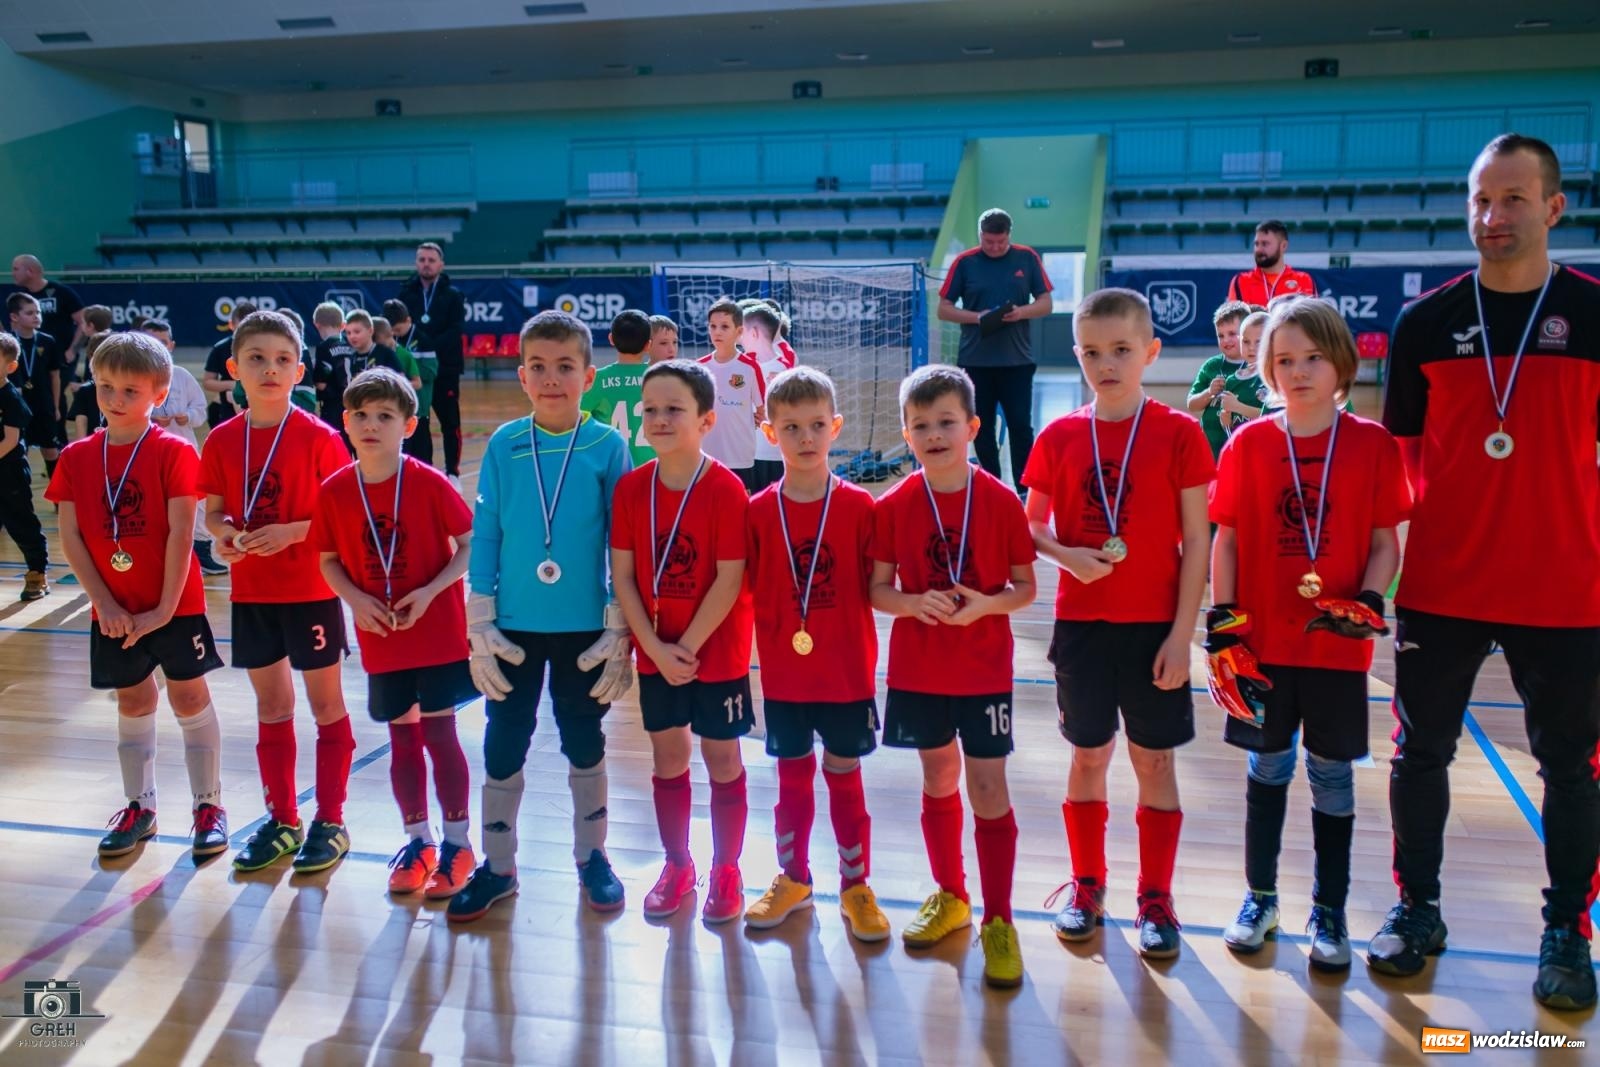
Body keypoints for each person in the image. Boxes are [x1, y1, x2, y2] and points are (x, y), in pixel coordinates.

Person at [1372, 133, 1600, 1011]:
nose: (1491, 217)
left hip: (1565, 587)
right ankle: (1417, 907)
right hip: (1443, 584)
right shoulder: (1425, 323)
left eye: (1511, 199)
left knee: (1572, 769)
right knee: (1418, 753)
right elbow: (1403, 463)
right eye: (1479, 199)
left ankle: (1566, 931)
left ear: (1553, 208)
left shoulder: (1594, 313)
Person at [1207, 298, 1408, 972]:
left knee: (1331, 778)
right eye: (1283, 360)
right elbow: (1225, 542)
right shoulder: (1248, 444)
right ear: (1266, 369)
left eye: (1311, 358)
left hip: (1334, 648)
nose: (1297, 371)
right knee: (1265, 767)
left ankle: (1330, 908)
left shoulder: (1373, 445)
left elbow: (1386, 543)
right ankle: (1260, 897)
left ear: (1341, 362)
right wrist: (1224, 629)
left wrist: (1371, 601)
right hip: (1262, 647)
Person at [1023, 287, 1213, 960]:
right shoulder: (1059, 435)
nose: (1107, 363)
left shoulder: (1180, 433)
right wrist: (1062, 552)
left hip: (1155, 625)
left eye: (1122, 350)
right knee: (1089, 754)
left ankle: (1156, 897)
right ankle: (1086, 885)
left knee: (1154, 759)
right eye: (1093, 352)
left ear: (1150, 353)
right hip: (1083, 627)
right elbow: (1032, 523)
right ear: (1077, 354)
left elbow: (1199, 540)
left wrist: (1182, 635)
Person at [452, 310, 632, 922]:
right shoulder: (504, 444)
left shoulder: (609, 446)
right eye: (538, 367)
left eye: (565, 367)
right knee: (504, 740)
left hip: (584, 627)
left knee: (585, 738)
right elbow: (489, 533)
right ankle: (499, 866)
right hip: (512, 625)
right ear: (522, 375)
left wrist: (620, 624)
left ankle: (592, 857)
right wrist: (479, 617)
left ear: (588, 375)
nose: (551, 378)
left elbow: (621, 543)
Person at [869, 364, 1038, 989]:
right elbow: (878, 589)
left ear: (972, 427)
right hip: (919, 669)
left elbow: (1026, 588)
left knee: (988, 788)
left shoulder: (999, 500)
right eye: (921, 425)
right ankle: (952, 895)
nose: (934, 434)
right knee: (938, 777)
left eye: (946, 423)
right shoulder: (895, 505)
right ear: (906, 434)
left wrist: (988, 604)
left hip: (984, 669)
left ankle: (999, 920)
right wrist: (913, 604)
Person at [45, 332, 228, 862]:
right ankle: (139, 805)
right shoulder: (78, 456)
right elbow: (72, 537)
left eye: (130, 389)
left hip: (174, 603)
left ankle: (208, 806)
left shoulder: (172, 450)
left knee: (189, 697)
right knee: (133, 699)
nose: (115, 399)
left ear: (159, 391)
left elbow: (180, 532)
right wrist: (103, 602)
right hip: (115, 607)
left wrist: (166, 607)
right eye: (106, 387)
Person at [199, 310, 358, 876]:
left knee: (324, 706)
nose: (270, 369)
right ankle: (284, 818)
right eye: (257, 359)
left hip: (310, 591)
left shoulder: (319, 437)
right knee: (272, 706)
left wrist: (290, 532)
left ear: (300, 370)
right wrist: (223, 537)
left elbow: (342, 520)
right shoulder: (221, 440)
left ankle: (332, 819)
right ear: (233, 367)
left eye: (282, 360)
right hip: (252, 594)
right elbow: (214, 510)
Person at [311, 368, 478, 900]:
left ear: (408, 426)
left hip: (437, 632)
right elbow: (329, 561)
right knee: (401, 740)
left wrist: (430, 591)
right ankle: (417, 841)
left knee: (440, 735)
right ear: (345, 422)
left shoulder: (428, 482)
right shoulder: (335, 490)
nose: (370, 425)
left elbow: (472, 545)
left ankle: (457, 844)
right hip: (381, 635)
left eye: (384, 416)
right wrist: (355, 600)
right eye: (360, 415)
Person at [742, 366, 890, 942]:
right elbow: (739, 590)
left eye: (816, 426)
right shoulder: (756, 511)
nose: (806, 437)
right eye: (791, 427)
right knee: (792, 778)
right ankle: (794, 878)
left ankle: (855, 884)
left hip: (846, 674)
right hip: (784, 676)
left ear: (836, 428)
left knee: (845, 776)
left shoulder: (859, 507)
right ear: (770, 432)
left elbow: (877, 587)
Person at [610, 359, 755, 924]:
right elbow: (623, 576)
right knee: (668, 756)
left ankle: (727, 867)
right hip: (656, 651)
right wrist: (651, 646)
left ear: (706, 419)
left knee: (721, 756)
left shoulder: (725, 487)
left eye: (675, 409)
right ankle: (678, 864)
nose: (661, 419)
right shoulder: (630, 490)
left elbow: (729, 577)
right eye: (651, 410)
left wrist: (684, 648)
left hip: (714, 651)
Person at [936, 208, 1054, 496]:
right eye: (989, 242)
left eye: (1000, 242)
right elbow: (944, 309)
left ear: (1009, 236)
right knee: (980, 428)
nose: (995, 247)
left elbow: (1046, 303)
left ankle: (1026, 490)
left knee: (1020, 426)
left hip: (1017, 361)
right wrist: (978, 317)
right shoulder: (965, 263)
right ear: (980, 236)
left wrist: (1021, 312)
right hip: (976, 362)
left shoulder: (1027, 258)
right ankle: (992, 487)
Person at [141, 320, 226, 577]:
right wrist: (150, 419)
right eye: (152, 341)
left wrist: (186, 417)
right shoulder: (134, 375)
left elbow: (201, 411)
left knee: (197, 500)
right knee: (154, 503)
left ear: (172, 345)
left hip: (184, 450)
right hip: (147, 453)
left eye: (163, 341)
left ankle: (201, 553)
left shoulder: (182, 376)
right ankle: (155, 557)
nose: (159, 346)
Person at [397, 243, 466, 485]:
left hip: (445, 369)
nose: (426, 263)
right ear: (417, 263)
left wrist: (428, 344)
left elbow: (456, 329)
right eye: (422, 259)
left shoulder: (453, 295)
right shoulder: (405, 293)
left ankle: (453, 472)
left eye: (431, 260)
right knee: (416, 421)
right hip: (415, 372)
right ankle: (418, 469)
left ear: (441, 264)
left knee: (450, 423)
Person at [696, 297, 766, 493]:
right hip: (707, 455)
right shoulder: (699, 367)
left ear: (739, 331)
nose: (717, 332)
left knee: (739, 511)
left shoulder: (750, 367)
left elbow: (762, 411)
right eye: (713, 326)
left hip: (740, 455)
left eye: (724, 327)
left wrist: (759, 417)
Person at [0, 334, 48, 601]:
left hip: (9, 475)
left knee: (21, 524)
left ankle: (37, 573)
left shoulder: (10, 399)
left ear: (11, 367)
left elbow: (10, 439)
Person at [1186, 301, 1261, 459]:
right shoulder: (1211, 366)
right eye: (1221, 335)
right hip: (1210, 450)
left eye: (1232, 334)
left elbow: (1267, 414)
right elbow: (1192, 405)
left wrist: (1237, 406)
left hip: (1244, 451)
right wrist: (1209, 392)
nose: (1226, 340)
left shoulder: (1258, 370)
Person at [581, 308, 653, 467]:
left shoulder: (596, 380)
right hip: (653, 471)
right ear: (648, 345)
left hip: (612, 468)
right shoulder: (661, 379)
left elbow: (574, 422)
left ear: (611, 339)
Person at [740, 300, 796, 492]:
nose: (739, 340)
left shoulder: (783, 372)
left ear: (754, 334)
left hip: (774, 456)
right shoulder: (744, 367)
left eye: (742, 333)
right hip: (747, 454)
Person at [9, 254, 85, 390]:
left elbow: (83, 322)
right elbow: (12, 327)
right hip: (32, 359)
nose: (12, 273)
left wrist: (73, 350)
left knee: (58, 398)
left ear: (30, 271)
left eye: (16, 269)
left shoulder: (61, 292)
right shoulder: (19, 298)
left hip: (61, 358)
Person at [6, 292, 62, 476]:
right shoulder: (6, 344)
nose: (36, 316)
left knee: (51, 450)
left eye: (37, 312)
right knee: (21, 449)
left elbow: (55, 375)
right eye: (29, 313)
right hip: (17, 405)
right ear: (14, 316)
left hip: (43, 404)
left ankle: (58, 501)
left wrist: (55, 406)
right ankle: (22, 496)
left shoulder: (48, 341)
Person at [384, 299, 436, 463]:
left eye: (398, 329)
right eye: (392, 331)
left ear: (408, 320)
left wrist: (406, 370)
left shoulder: (423, 340)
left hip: (419, 406)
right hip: (396, 408)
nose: (396, 334)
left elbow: (431, 372)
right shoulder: (386, 342)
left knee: (422, 455)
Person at [1227, 221, 1317, 306]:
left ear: (1283, 246)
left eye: (1265, 244)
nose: (1258, 249)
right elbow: (1233, 321)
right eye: (1256, 244)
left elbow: (1313, 319)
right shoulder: (1241, 281)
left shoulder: (1304, 280)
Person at [202, 300, 255, 428]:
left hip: (259, 409)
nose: (245, 334)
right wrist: (231, 385)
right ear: (231, 325)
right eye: (240, 329)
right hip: (229, 412)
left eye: (250, 329)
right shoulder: (221, 349)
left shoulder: (266, 348)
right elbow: (208, 382)